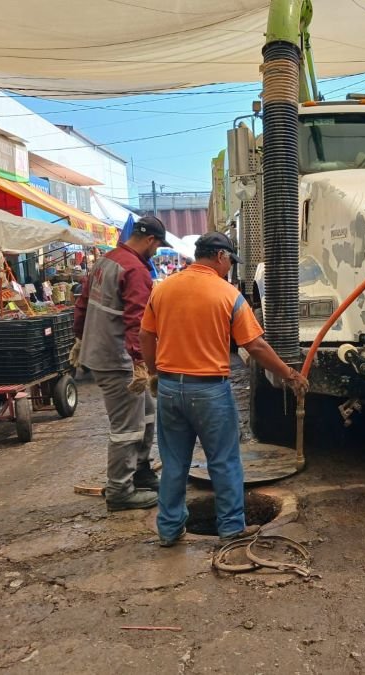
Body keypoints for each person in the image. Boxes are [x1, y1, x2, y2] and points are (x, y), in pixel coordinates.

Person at [139, 231, 309, 547]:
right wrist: (289, 374)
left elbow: (146, 336)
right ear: (220, 256)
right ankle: (231, 528)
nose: (229, 266)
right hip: (209, 392)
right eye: (230, 260)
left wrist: (154, 372)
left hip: (170, 389)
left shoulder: (164, 289)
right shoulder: (227, 294)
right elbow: (255, 345)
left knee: (174, 462)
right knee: (224, 461)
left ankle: (169, 529)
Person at [72, 216, 167, 512]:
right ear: (151, 240)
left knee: (147, 415)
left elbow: (82, 306)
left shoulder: (106, 261)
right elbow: (138, 321)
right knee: (127, 426)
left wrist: (79, 339)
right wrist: (141, 363)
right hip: (118, 360)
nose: (156, 252)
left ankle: (141, 471)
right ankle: (120, 490)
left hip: (103, 353)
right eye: (157, 246)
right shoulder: (136, 269)